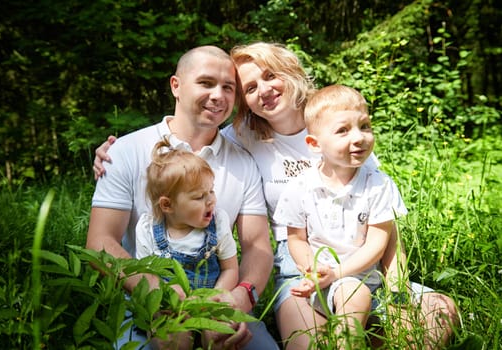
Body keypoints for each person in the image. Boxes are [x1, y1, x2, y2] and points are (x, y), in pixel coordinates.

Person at [93, 42, 458, 349]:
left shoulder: (340, 128)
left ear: (292, 73)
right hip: (296, 266)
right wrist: (113, 153)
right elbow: (102, 240)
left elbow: (382, 221)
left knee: (438, 315)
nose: (262, 90)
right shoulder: (239, 142)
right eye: (249, 88)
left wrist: (394, 287)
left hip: (362, 260)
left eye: (269, 76)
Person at [86, 45, 278, 350]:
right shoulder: (125, 151)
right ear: (176, 86)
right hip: (146, 301)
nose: (219, 95)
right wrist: (159, 297)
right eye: (206, 83)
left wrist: (240, 297)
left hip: (219, 300)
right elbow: (100, 243)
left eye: (228, 87)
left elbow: (257, 246)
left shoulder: (243, 161)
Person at [273, 84, 406, 348]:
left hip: (365, 280)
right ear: (314, 144)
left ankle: (348, 343)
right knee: (346, 296)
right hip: (319, 282)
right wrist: (312, 269)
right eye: (343, 130)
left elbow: (377, 244)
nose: (359, 137)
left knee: (353, 293)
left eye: (364, 126)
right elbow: (296, 239)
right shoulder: (300, 187)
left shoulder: (379, 184)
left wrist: (338, 273)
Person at [135, 137, 239, 348]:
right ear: (167, 205)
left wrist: (215, 297)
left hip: (210, 303)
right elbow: (146, 277)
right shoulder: (148, 229)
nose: (211, 200)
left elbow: (230, 269)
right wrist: (164, 292)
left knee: (220, 335)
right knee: (172, 336)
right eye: (199, 196)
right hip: (170, 307)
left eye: (211, 190)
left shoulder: (218, 222)